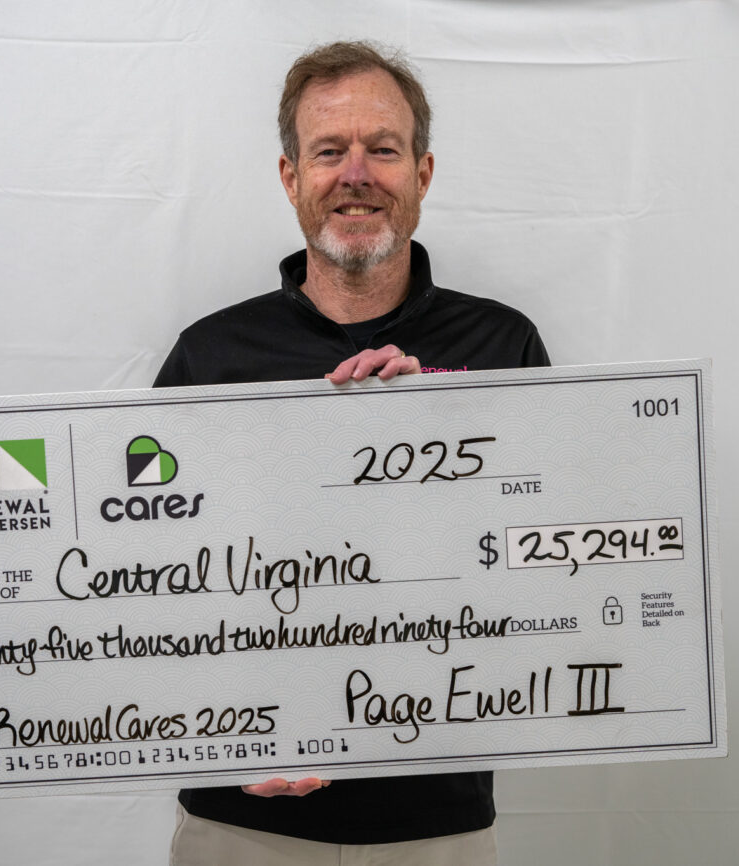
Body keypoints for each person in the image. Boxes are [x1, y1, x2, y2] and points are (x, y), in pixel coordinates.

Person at [154, 40, 550, 865]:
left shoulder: (502, 346)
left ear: (423, 173)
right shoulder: (210, 356)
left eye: (384, 149)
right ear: (291, 177)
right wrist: (214, 735)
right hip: (241, 821)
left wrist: (442, 434)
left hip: (437, 821)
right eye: (329, 150)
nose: (356, 174)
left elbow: (555, 564)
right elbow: (143, 581)